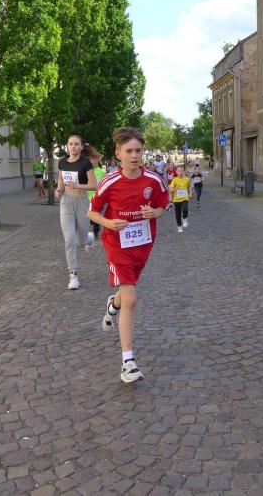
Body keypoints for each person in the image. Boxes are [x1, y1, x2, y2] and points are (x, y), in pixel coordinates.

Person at [90, 128, 169, 383]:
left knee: (125, 295)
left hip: (142, 244)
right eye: (129, 151)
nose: (134, 156)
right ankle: (128, 363)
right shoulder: (109, 181)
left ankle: (113, 305)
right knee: (132, 298)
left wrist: (155, 213)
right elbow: (92, 212)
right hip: (116, 244)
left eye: (138, 151)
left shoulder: (153, 180)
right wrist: (108, 222)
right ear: (118, 154)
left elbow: (163, 204)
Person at [55, 135, 98, 290]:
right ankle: (73, 276)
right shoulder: (62, 162)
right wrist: (59, 190)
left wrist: (78, 185)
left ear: (81, 147)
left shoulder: (85, 163)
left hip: (82, 202)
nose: (73, 146)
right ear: (67, 146)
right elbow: (61, 181)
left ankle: (88, 238)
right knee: (69, 239)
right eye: (70, 144)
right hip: (66, 202)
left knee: (81, 241)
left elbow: (94, 185)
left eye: (76, 144)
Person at [87, 153, 106, 238]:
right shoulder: (85, 170)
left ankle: (96, 232)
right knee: (85, 216)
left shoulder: (101, 172)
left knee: (95, 217)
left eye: (94, 159)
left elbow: (104, 185)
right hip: (85, 198)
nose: (92, 161)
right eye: (90, 159)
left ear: (97, 161)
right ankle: (84, 233)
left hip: (96, 198)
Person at [169, 166, 192, 232]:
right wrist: (176, 188)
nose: (180, 172)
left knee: (185, 209)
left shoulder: (187, 179)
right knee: (178, 214)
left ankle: (185, 218)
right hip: (176, 199)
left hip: (185, 198)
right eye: (179, 171)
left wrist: (190, 193)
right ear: (176, 172)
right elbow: (170, 190)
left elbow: (190, 186)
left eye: (182, 171)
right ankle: (179, 226)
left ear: (184, 172)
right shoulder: (174, 180)